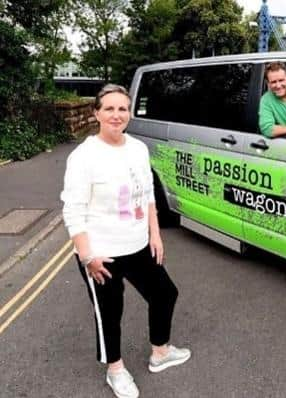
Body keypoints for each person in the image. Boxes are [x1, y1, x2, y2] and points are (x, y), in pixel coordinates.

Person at [61, 84, 190, 398]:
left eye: (123, 109)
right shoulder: (84, 157)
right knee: (110, 313)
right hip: (101, 254)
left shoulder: (138, 148)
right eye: (110, 109)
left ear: (129, 113)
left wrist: (155, 234)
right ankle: (115, 371)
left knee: (165, 294)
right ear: (96, 113)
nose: (117, 115)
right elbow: (73, 209)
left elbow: (146, 194)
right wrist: (87, 255)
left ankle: (160, 353)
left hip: (137, 245)